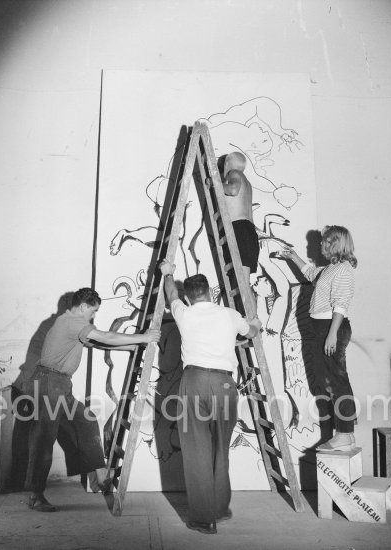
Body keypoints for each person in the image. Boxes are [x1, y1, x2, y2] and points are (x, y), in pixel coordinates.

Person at [24, 287, 161, 512]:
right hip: (48, 383)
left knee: (86, 421)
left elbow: (98, 343)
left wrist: (133, 346)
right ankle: (36, 495)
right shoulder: (71, 322)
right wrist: (144, 337)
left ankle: (99, 474)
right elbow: (104, 336)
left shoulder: (74, 324)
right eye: (93, 311)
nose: (94, 315)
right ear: (83, 307)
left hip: (58, 384)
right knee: (43, 441)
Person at [159, 259, 261, 534]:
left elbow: (170, 293)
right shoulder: (229, 314)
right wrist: (254, 323)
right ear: (209, 292)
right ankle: (220, 509)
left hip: (193, 381)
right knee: (220, 449)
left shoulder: (184, 313)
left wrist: (168, 273)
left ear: (190, 297)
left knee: (196, 451)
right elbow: (251, 331)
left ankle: (205, 519)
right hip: (224, 384)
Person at [279, 225, 357, 451]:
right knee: (329, 382)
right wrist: (293, 256)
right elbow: (311, 274)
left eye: (324, 241)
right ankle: (346, 435)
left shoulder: (343, 269)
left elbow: (341, 303)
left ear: (335, 243)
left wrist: (332, 334)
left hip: (330, 328)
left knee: (336, 381)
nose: (320, 244)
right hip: (322, 329)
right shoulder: (330, 268)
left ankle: (344, 433)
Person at [221, 151, 261, 317]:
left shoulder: (234, 174)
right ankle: (253, 323)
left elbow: (233, 190)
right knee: (244, 283)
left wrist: (214, 183)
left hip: (240, 230)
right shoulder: (248, 182)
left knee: (242, 283)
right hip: (248, 232)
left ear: (227, 164)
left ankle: (252, 325)